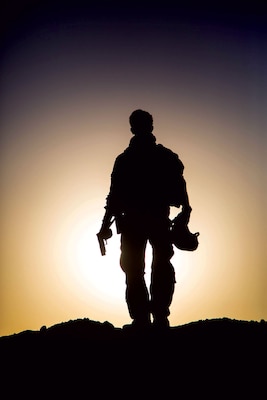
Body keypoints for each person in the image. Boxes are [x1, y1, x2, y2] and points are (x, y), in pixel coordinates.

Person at [98, 109, 191, 329]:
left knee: (139, 268)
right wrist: (186, 211)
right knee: (150, 266)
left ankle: (147, 319)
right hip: (152, 220)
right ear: (150, 126)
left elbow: (114, 196)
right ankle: (154, 318)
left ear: (133, 128)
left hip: (139, 221)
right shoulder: (162, 156)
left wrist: (104, 226)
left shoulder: (126, 160)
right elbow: (181, 186)